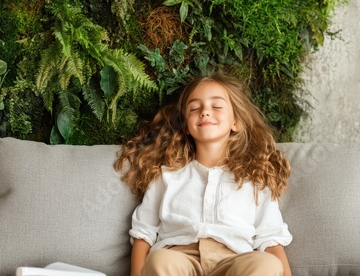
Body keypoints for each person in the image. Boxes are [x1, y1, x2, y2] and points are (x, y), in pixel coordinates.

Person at [114, 72, 293, 276]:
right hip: (180, 259)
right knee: (159, 259)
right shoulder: (167, 176)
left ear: (237, 122)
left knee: (267, 264)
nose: (205, 112)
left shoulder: (255, 179)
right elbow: (143, 234)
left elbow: (271, 240)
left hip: (233, 262)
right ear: (187, 126)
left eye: (216, 106)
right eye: (194, 108)